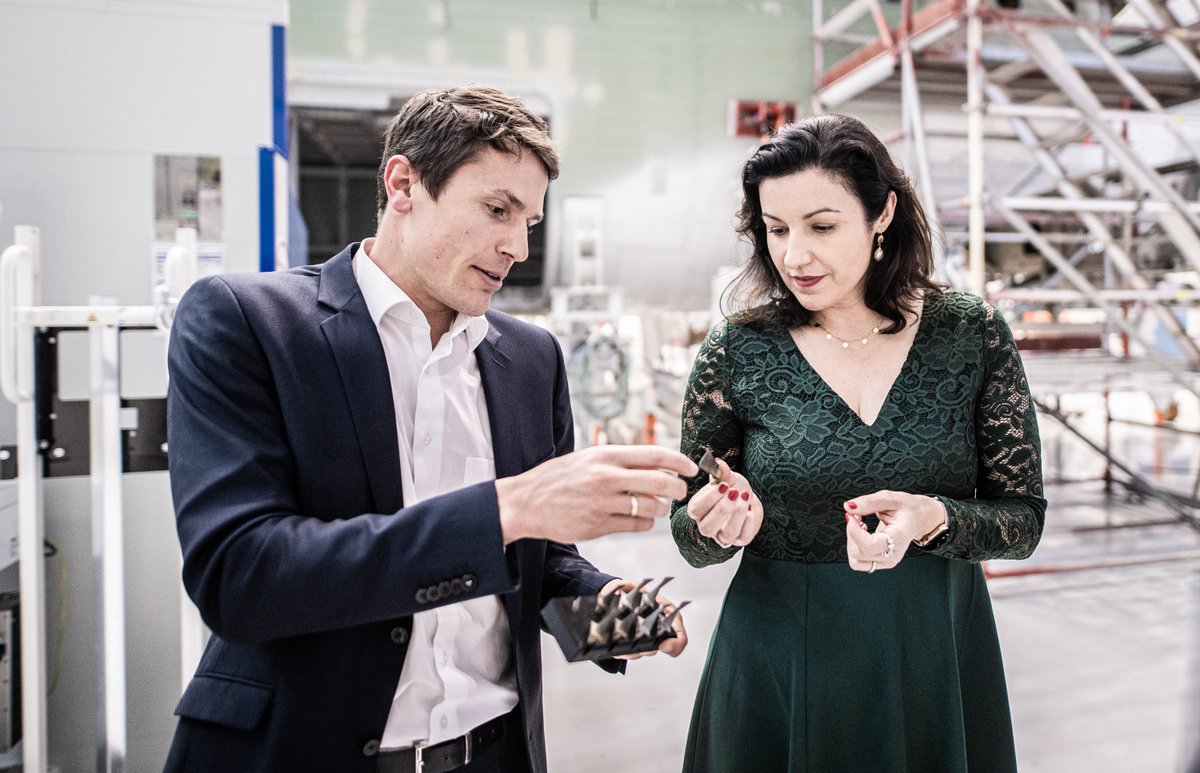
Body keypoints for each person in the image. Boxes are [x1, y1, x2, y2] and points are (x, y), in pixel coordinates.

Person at [164, 84, 696, 773]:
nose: (518, 246)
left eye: (529, 220)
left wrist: (605, 610)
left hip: (491, 754)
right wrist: (508, 506)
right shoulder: (249, 323)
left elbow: (537, 563)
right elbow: (241, 577)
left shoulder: (531, 360)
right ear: (403, 184)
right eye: (497, 209)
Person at [670, 113, 1046, 772]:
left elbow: (1023, 521)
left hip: (931, 650)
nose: (794, 256)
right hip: (781, 659)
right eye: (776, 229)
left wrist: (935, 518)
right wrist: (718, 525)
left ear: (883, 214)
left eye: (821, 227)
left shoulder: (970, 334)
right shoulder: (738, 350)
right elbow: (688, 530)